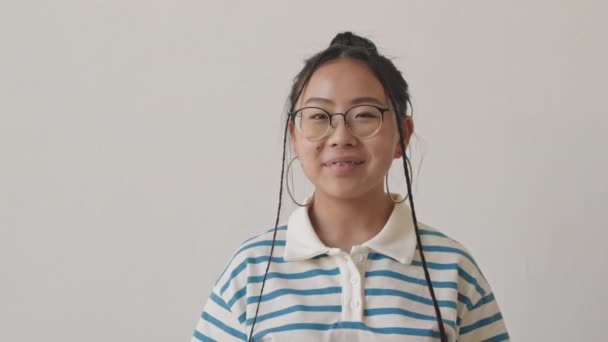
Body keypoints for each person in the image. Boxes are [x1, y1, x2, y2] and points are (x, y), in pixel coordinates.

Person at [190, 32, 510, 342]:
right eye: (318, 116)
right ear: (294, 138)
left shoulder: (452, 270)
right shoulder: (250, 271)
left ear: (403, 134)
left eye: (364, 115)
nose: (341, 136)